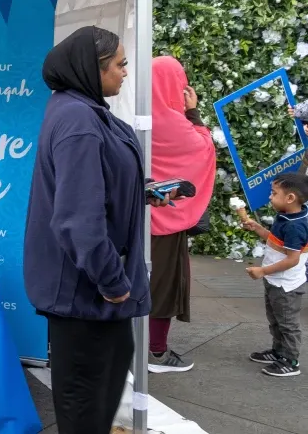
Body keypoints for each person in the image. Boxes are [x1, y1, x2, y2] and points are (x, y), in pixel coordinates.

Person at [25, 26, 169, 434]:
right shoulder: (79, 121)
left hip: (92, 288)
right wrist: (112, 283)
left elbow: (96, 185)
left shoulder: (77, 108)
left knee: (104, 376)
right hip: (87, 289)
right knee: (86, 397)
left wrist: (140, 191)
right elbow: (78, 219)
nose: (126, 72)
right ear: (93, 67)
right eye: (120, 64)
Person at [147, 56, 216, 373]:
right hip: (166, 223)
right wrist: (193, 112)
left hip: (135, 219)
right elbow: (204, 149)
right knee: (165, 287)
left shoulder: (138, 116)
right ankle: (157, 353)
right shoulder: (176, 123)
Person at [240, 173, 308, 377]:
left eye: (274, 193)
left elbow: (292, 259)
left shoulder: (295, 225)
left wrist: (262, 271)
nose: (270, 197)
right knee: (275, 318)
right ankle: (278, 352)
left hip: (286, 284)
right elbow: (277, 241)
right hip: (275, 280)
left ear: (290, 198)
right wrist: (259, 228)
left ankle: (290, 360)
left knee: (287, 322)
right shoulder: (286, 215)